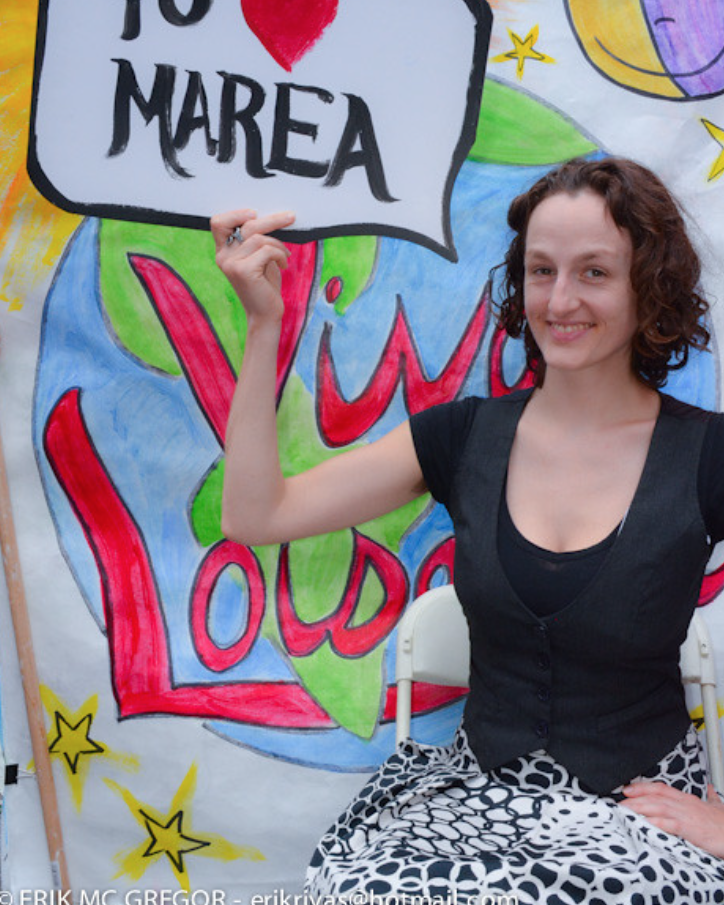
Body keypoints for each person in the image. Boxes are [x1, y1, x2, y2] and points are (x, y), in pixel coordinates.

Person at [211, 157, 724, 902]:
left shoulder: (707, 454)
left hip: (639, 813)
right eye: (542, 271)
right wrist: (265, 325)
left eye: (594, 272)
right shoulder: (463, 437)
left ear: (649, 286)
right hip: (476, 803)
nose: (561, 300)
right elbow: (257, 515)